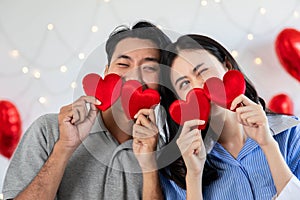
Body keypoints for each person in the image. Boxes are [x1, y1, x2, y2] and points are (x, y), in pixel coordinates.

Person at [2, 21, 171, 200]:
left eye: (149, 68)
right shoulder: (49, 130)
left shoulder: (167, 153)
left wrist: (149, 167)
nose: (133, 77)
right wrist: (64, 147)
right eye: (123, 64)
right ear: (106, 72)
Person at [158, 34, 300, 199]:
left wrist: (268, 144)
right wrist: (193, 177)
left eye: (202, 71)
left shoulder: (291, 133)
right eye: (184, 83)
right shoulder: (179, 168)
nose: (198, 86)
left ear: (227, 66)